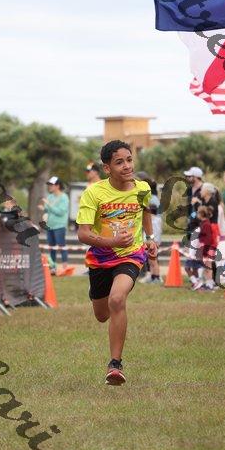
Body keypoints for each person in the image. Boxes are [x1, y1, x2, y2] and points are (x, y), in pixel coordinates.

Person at [76, 140, 157, 386]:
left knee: (117, 299)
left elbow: (145, 211)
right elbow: (83, 233)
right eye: (119, 162)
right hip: (101, 259)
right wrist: (111, 241)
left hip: (131, 254)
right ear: (107, 168)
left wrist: (150, 238)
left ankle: (115, 365)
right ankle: (99, 295)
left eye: (129, 160)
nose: (127, 166)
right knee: (102, 315)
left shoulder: (142, 188)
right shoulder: (93, 193)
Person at [39, 176, 71, 275]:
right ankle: (52, 267)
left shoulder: (64, 197)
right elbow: (47, 209)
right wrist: (44, 209)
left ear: (57, 186)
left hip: (60, 226)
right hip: (50, 225)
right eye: (49, 185)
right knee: (51, 247)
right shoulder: (50, 196)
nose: (49, 186)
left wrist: (48, 205)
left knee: (61, 246)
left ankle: (65, 267)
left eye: (51, 185)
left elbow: (60, 212)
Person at [184, 167, 203, 240]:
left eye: (189, 176)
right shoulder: (189, 189)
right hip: (191, 220)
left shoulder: (204, 189)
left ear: (196, 177)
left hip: (201, 222)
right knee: (190, 241)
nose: (187, 178)